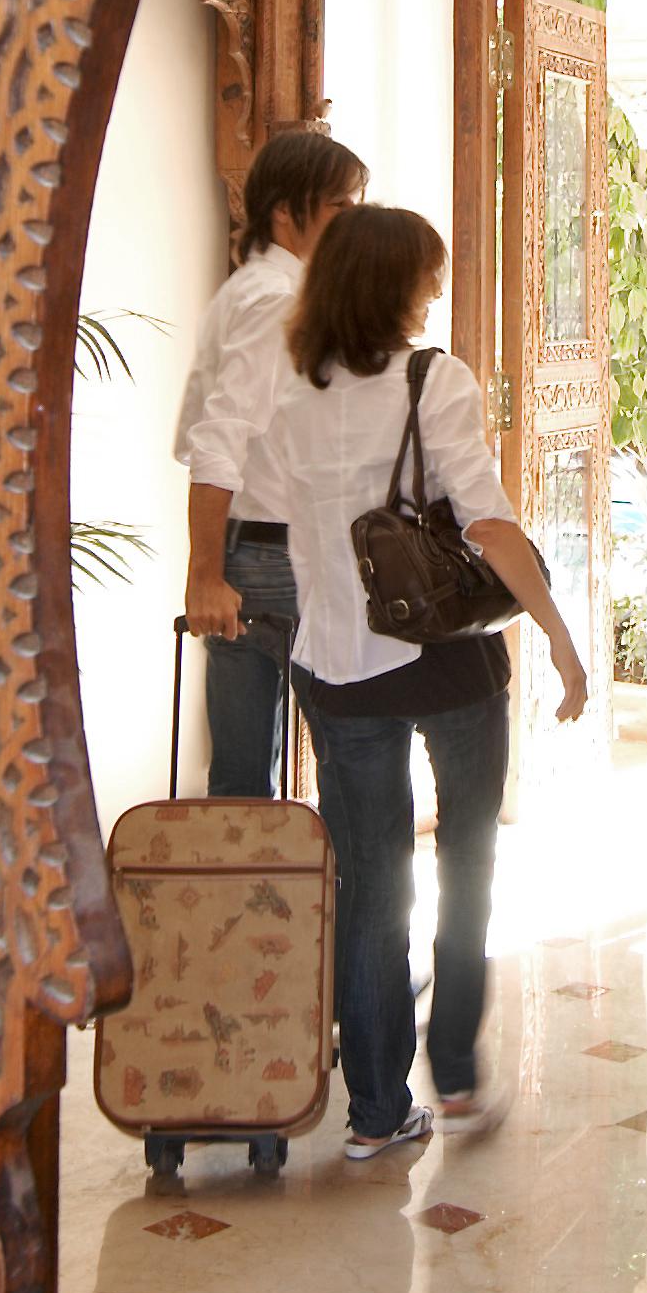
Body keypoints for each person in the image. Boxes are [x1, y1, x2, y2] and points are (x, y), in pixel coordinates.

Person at [200, 204, 589, 1159]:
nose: (437, 291)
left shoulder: (293, 394)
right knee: (468, 866)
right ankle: (453, 1076)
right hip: (449, 661)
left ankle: (376, 1111)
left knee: (372, 885)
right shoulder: (433, 379)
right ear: (393, 285)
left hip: (336, 668)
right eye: (427, 275)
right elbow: (489, 525)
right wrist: (560, 635)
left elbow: (271, 517)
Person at [176, 128, 369, 796]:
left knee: (243, 777)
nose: (355, 219)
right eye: (342, 206)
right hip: (275, 557)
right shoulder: (277, 300)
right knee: (353, 759)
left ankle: (257, 901)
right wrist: (204, 572)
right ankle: (341, 902)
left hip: (254, 550)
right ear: (287, 211)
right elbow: (218, 435)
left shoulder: (253, 288)